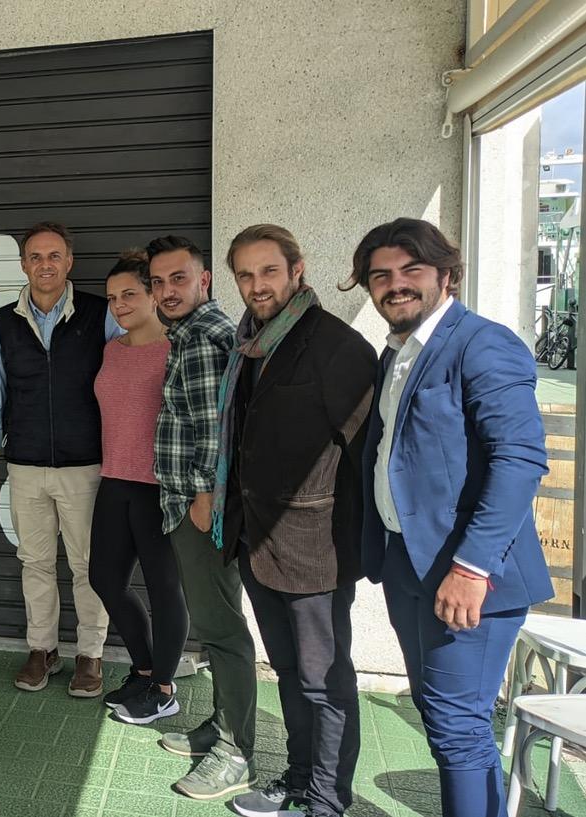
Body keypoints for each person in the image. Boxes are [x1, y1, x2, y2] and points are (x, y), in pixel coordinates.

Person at [349, 218, 551, 817]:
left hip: (469, 576)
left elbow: (519, 460)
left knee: (457, 730)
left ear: (446, 274)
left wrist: (470, 566)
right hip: (410, 566)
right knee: (444, 721)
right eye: (381, 275)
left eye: (411, 271)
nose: (395, 285)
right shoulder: (401, 352)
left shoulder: (481, 343)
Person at [215, 225, 375, 817]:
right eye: (246, 275)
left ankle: (328, 801)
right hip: (258, 541)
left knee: (324, 682)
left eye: (269, 272)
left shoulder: (335, 347)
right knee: (286, 670)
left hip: (316, 549)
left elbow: (365, 456)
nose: (258, 286)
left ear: (297, 270)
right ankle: (301, 778)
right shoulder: (250, 344)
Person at [0, 221, 121, 698]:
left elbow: (131, 376)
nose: (45, 265)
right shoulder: (5, 320)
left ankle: (89, 655)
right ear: (23, 264)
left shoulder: (101, 315)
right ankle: (42, 649)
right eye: (36, 257)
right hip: (26, 463)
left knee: (87, 566)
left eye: (54, 256)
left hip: (86, 464)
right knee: (35, 561)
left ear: (69, 262)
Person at [147, 234, 257, 800]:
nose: (167, 291)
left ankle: (236, 752)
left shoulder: (203, 339)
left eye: (178, 279)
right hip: (190, 503)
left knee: (221, 627)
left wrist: (198, 498)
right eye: (158, 283)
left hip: (199, 508)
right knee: (218, 619)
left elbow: (215, 430)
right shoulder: (192, 333)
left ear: (204, 280)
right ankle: (220, 724)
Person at [89, 250, 188, 725]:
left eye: (129, 293)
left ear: (153, 294)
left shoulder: (178, 349)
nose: (119, 304)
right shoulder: (112, 349)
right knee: (104, 579)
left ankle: (165, 690)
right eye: (112, 298)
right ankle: (145, 669)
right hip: (114, 480)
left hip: (158, 486)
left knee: (165, 589)